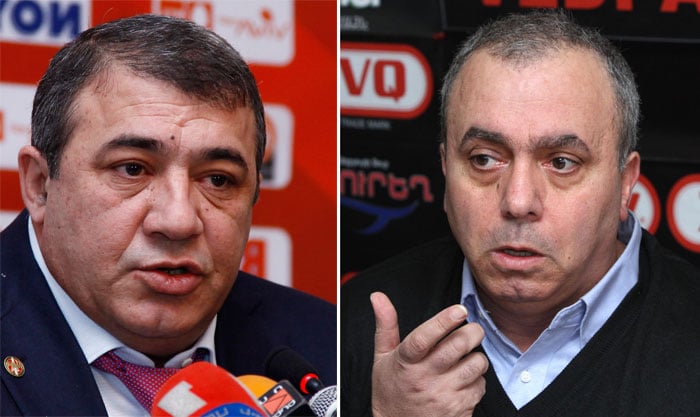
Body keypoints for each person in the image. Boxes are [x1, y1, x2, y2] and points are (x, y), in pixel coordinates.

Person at [341, 10, 700, 417]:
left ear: (625, 183)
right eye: (484, 159)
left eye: (562, 163)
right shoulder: (356, 324)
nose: (517, 200)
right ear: (445, 170)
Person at [0, 14, 335, 416]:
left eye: (218, 179)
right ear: (40, 184)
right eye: (132, 169)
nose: (178, 221)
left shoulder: (328, 350)